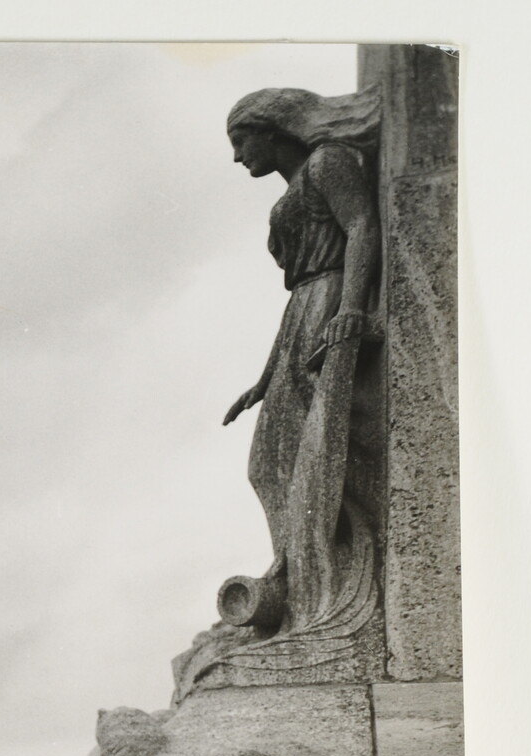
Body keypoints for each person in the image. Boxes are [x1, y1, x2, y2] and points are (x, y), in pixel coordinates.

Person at [179, 84, 384, 700]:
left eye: (243, 142)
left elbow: (362, 227)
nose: (239, 157)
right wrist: (266, 379)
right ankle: (297, 579)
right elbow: (297, 293)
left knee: (309, 462)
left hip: (328, 305)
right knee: (267, 468)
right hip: (302, 317)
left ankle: (317, 582)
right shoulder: (296, 185)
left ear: (272, 130)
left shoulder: (327, 163)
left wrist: (350, 312)